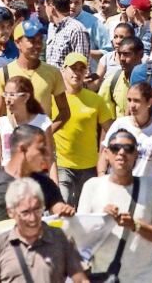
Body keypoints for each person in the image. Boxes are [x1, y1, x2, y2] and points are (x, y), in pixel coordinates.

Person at [77, 129, 152, 281]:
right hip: (102, 275)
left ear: (136, 155)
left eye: (128, 149)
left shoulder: (151, 187)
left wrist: (135, 225)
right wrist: (103, 220)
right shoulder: (92, 186)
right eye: (115, 148)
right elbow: (81, 236)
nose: (121, 153)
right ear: (106, 153)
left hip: (141, 277)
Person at [0, 177, 87, 283]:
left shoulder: (61, 239)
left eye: (37, 209)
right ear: (10, 212)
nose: (33, 218)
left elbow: (81, 280)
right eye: (25, 212)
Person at [52, 52, 114, 205]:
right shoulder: (53, 98)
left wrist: (104, 159)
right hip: (61, 165)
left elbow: (111, 130)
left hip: (89, 167)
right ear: (63, 70)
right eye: (73, 68)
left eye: (81, 69)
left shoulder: (96, 99)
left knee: (86, 211)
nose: (77, 72)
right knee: (62, 208)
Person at [99, 81, 152, 184]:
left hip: (149, 189)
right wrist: (102, 178)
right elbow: (105, 153)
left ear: (149, 102)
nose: (132, 105)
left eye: (137, 101)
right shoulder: (120, 124)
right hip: (120, 186)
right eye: (129, 100)